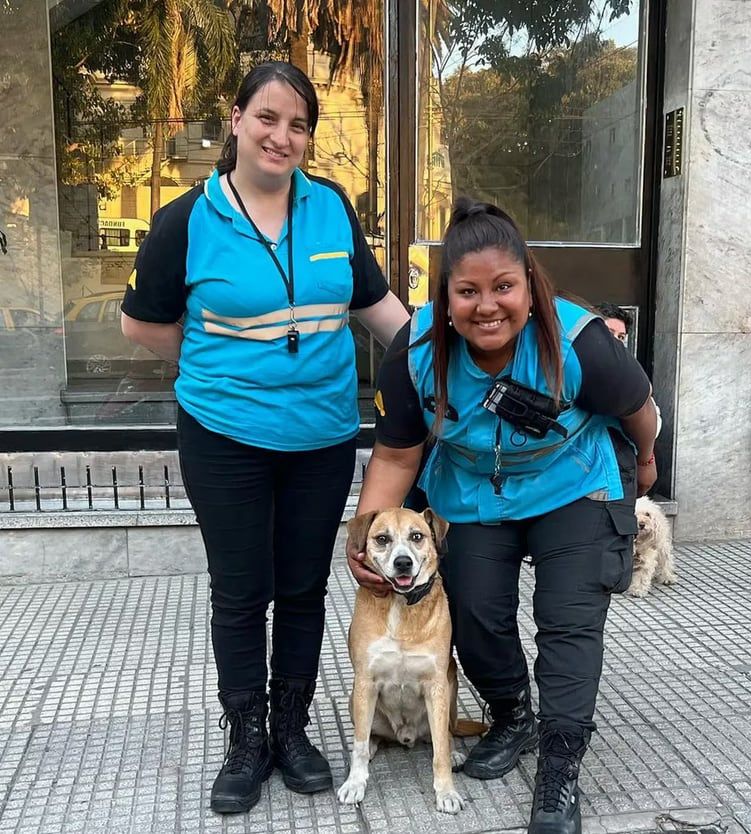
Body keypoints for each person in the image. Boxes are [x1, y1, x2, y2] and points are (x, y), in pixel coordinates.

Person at [120, 61, 409, 814]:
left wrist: (443, 364)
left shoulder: (331, 208)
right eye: (268, 118)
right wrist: (215, 359)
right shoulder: (188, 219)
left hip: (321, 436)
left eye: (298, 125)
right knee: (242, 589)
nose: (282, 136)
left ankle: (291, 730)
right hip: (224, 434)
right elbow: (139, 324)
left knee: (303, 586)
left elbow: (379, 309)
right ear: (237, 120)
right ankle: (245, 737)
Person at [347, 198, 658, 834]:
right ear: (446, 298)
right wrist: (365, 538)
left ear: (530, 286)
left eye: (504, 287)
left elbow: (640, 410)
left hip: (574, 484)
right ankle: (513, 715)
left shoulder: (580, 341)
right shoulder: (416, 350)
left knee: (568, 620)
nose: (487, 306)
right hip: (471, 490)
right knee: (475, 611)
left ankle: (560, 764)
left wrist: (646, 462)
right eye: (468, 292)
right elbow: (397, 453)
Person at [595, 302, 662, 438]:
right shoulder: (575, 363)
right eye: (609, 333)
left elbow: (654, 425)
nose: (616, 341)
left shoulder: (628, 372)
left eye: (621, 337)